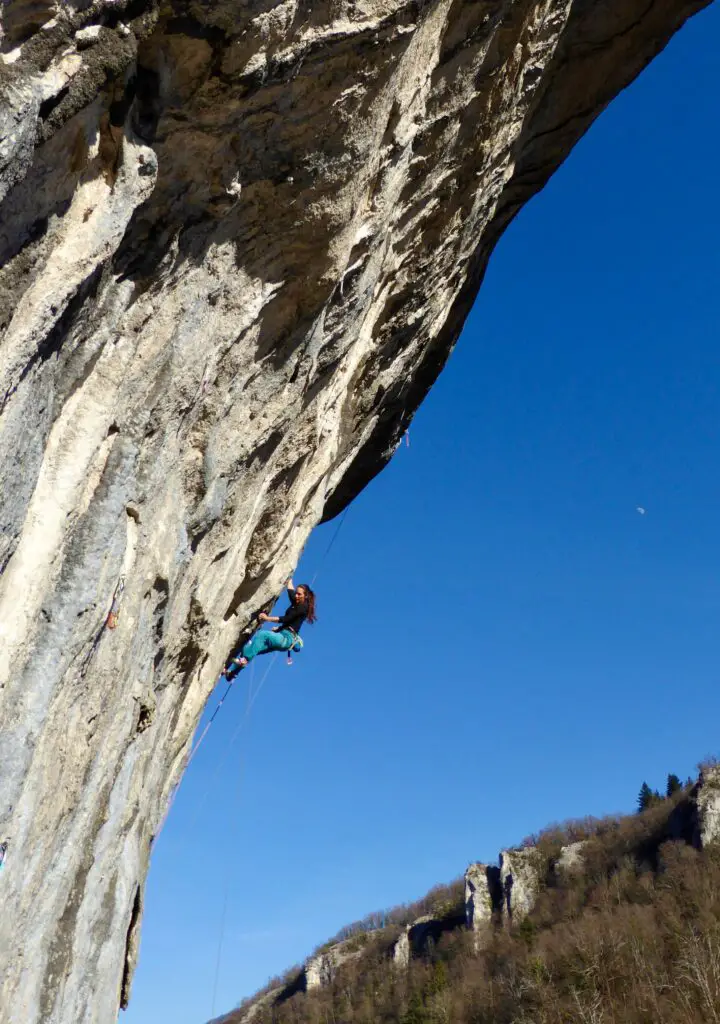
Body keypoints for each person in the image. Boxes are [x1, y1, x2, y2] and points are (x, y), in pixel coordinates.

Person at [229, 578, 317, 672]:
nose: (296, 596)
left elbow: (285, 619)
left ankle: (245, 660)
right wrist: (289, 580)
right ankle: (231, 673)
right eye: (296, 593)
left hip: (287, 639)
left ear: (306, 596)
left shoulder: (303, 607)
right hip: (282, 635)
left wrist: (267, 618)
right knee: (250, 648)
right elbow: (291, 592)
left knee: (263, 635)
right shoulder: (297, 602)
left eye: (299, 594)